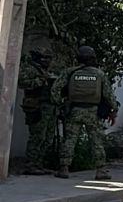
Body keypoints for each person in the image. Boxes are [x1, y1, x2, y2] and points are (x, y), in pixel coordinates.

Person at [52, 45, 116, 180]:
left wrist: (60, 104)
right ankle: (100, 171)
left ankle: (64, 168)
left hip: (74, 111)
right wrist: (113, 110)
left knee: (70, 139)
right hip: (93, 112)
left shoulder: (69, 72)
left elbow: (55, 89)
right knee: (96, 141)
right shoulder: (99, 74)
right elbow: (109, 95)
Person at [19, 47, 58, 174]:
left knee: (48, 138)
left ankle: (39, 163)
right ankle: (30, 165)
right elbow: (22, 83)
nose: (47, 61)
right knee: (37, 137)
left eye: (49, 58)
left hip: (50, 107)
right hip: (37, 106)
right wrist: (41, 80)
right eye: (45, 58)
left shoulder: (46, 70)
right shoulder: (30, 68)